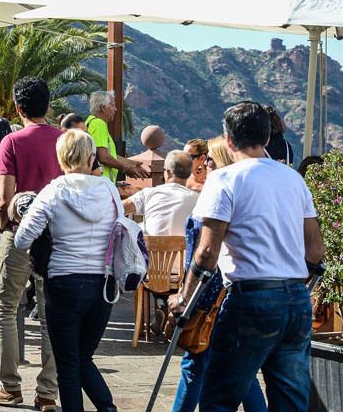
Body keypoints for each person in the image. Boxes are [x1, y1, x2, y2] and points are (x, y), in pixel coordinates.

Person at [169, 101, 325, 412]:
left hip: (251, 298)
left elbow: (207, 252)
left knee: (219, 400)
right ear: (267, 139)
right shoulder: (294, 179)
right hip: (295, 298)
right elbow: (316, 250)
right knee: (290, 402)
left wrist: (184, 299)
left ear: (228, 139)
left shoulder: (224, 180)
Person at [15, 129, 121, 412]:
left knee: (68, 363)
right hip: (104, 285)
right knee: (83, 356)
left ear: (61, 158)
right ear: (91, 158)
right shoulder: (110, 191)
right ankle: (107, 408)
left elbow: (22, 239)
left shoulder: (53, 192)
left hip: (64, 283)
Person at [170, 140, 266, 412]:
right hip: (236, 296)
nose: (203, 164)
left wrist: (185, 299)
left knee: (194, 365)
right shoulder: (245, 201)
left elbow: (200, 259)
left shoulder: (211, 204)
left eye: (209, 160)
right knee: (240, 372)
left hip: (209, 298)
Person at [0, 77, 61, 411]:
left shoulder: (12, 142)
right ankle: (47, 392)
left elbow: (5, 198)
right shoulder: (66, 140)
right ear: (49, 104)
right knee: (50, 315)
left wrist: (4, 226)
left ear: (18, 107)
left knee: (4, 305)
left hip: (19, 232)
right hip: (57, 235)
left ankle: (9, 386)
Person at [123, 151, 199, 236]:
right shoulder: (199, 200)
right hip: (184, 248)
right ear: (189, 173)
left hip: (150, 249)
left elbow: (117, 209)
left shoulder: (148, 193)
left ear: (168, 172)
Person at [86, 91, 148, 183]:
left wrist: (131, 163)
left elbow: (109, 155)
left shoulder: (91, 122)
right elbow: (103, 157)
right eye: (112, 105)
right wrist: (125, 168)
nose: (115, 109)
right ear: (103, 107)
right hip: (102, 183)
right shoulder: (99, 124)